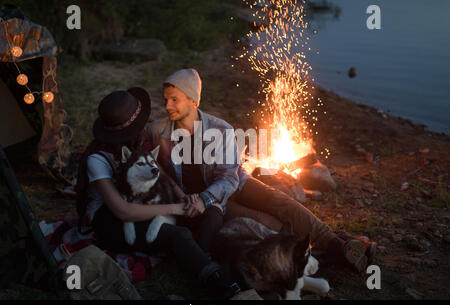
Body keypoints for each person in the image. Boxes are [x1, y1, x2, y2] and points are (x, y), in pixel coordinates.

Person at [145, 69, 376, 274]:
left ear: (193, 100)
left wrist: (204, 199)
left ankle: (338, 245)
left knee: (281, 201)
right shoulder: (158, 130)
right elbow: (149, 162)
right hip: (213, 204)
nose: (167, 106)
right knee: (267, 225)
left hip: (232, 185)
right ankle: (333, 251)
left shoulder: (220, 129)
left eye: (174, 100)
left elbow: (228, 178)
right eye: (166, 100)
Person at [77, 87, 243, 299]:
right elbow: (123, 210)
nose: (144, 128)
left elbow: (160, 172)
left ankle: (201, 259)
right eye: (138, 127)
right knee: (178, 234)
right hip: (111, 220)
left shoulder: (137, 143)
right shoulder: (97, 159)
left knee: (211, 210)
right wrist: (176, 207)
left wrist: (183, 197)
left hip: (145, 202)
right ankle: (217, 280)